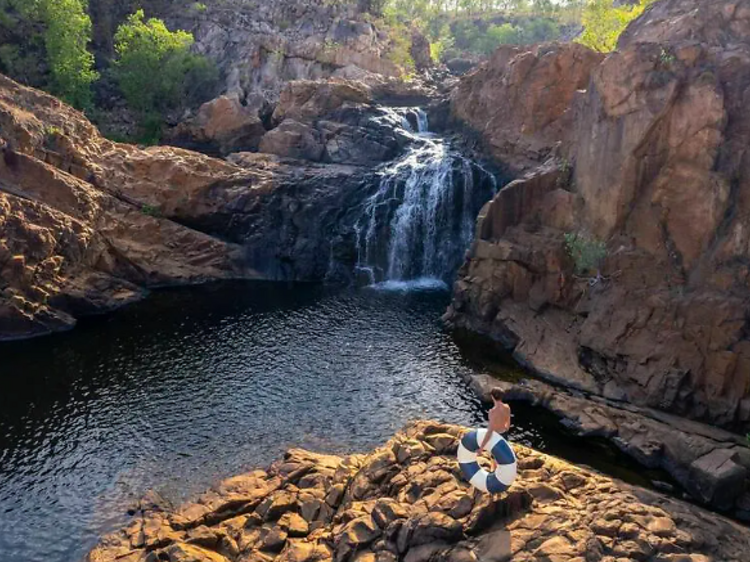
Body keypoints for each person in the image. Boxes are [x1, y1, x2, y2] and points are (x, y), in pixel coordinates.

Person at [477, 388, 511, 472]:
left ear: (492, 397)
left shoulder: (492, 412)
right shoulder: (507, 407)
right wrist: (506, 428)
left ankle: (494, 473)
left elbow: (490, 431)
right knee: (501, 455)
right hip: (504, 434)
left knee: (494, 457)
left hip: (495, 436)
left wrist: (481, 448)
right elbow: (508, 422)